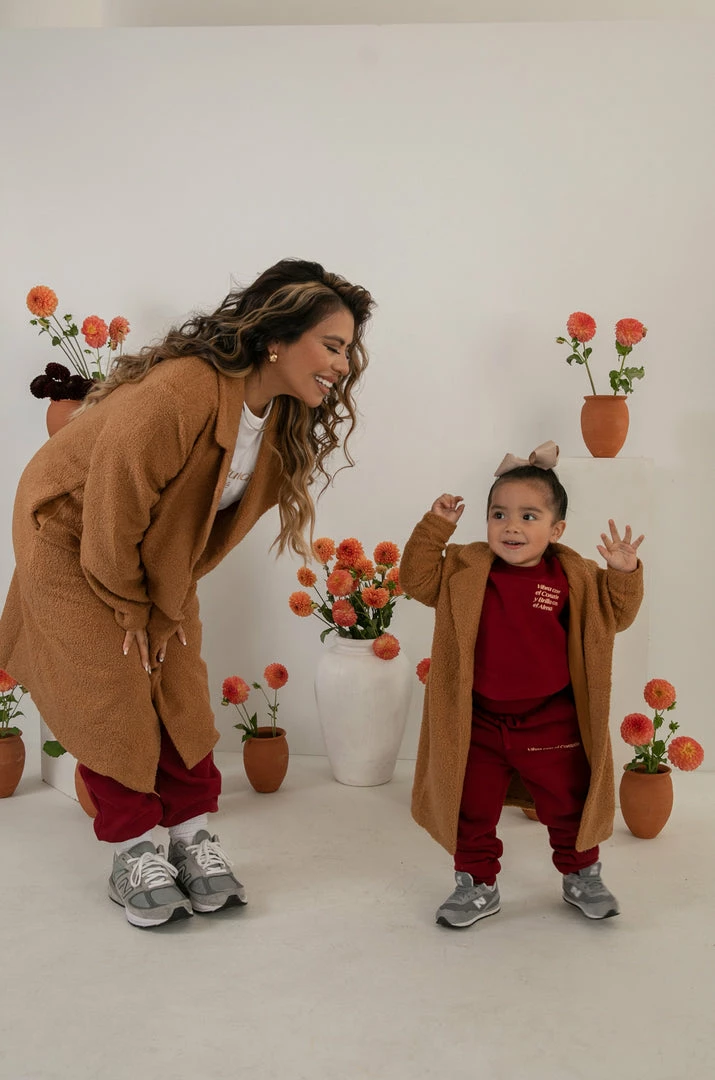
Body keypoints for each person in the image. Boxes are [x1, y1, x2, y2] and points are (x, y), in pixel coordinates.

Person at [0, 258, 374, 928]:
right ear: (277, 338)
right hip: (68, 534)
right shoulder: (182, 390)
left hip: (145, 553)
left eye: (348, 351)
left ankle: (190, 836)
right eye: (332, 345)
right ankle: (134, 852)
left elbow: (205, 535)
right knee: (112, 687)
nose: (342, 366)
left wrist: (166, 607)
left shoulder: (281, 425)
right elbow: (111, 507)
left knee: (177, 678)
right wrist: (130, 608)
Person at [400, 441, 644, 928]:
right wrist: (435, 528)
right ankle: (477, 883)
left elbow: (615, 616)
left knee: (569, 802)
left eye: (529, 516)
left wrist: (623, 573)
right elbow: (416, 580)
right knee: (470, 807)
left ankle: (582, 875)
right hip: (478, 721)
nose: (511, 526)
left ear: (556, 530)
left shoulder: (573, 575)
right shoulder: (466, 568)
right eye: (499, 514)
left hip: (550, 720)